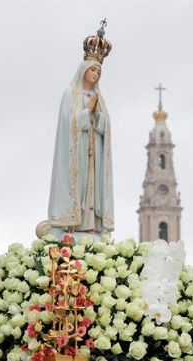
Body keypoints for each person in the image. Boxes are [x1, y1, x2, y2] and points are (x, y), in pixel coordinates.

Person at [46, 20, 114, 238]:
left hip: (94, 155)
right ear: (84, 70)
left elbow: (105, 126)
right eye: (93, 69)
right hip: (77, 154)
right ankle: (71, 222)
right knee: (80, 186)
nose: (96, 74)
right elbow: (70, 124)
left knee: (92, 188)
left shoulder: (98, 98)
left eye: (99, 71)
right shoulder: (71, 94)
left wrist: (97, 114)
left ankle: (91, 223)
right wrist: (87, 113)